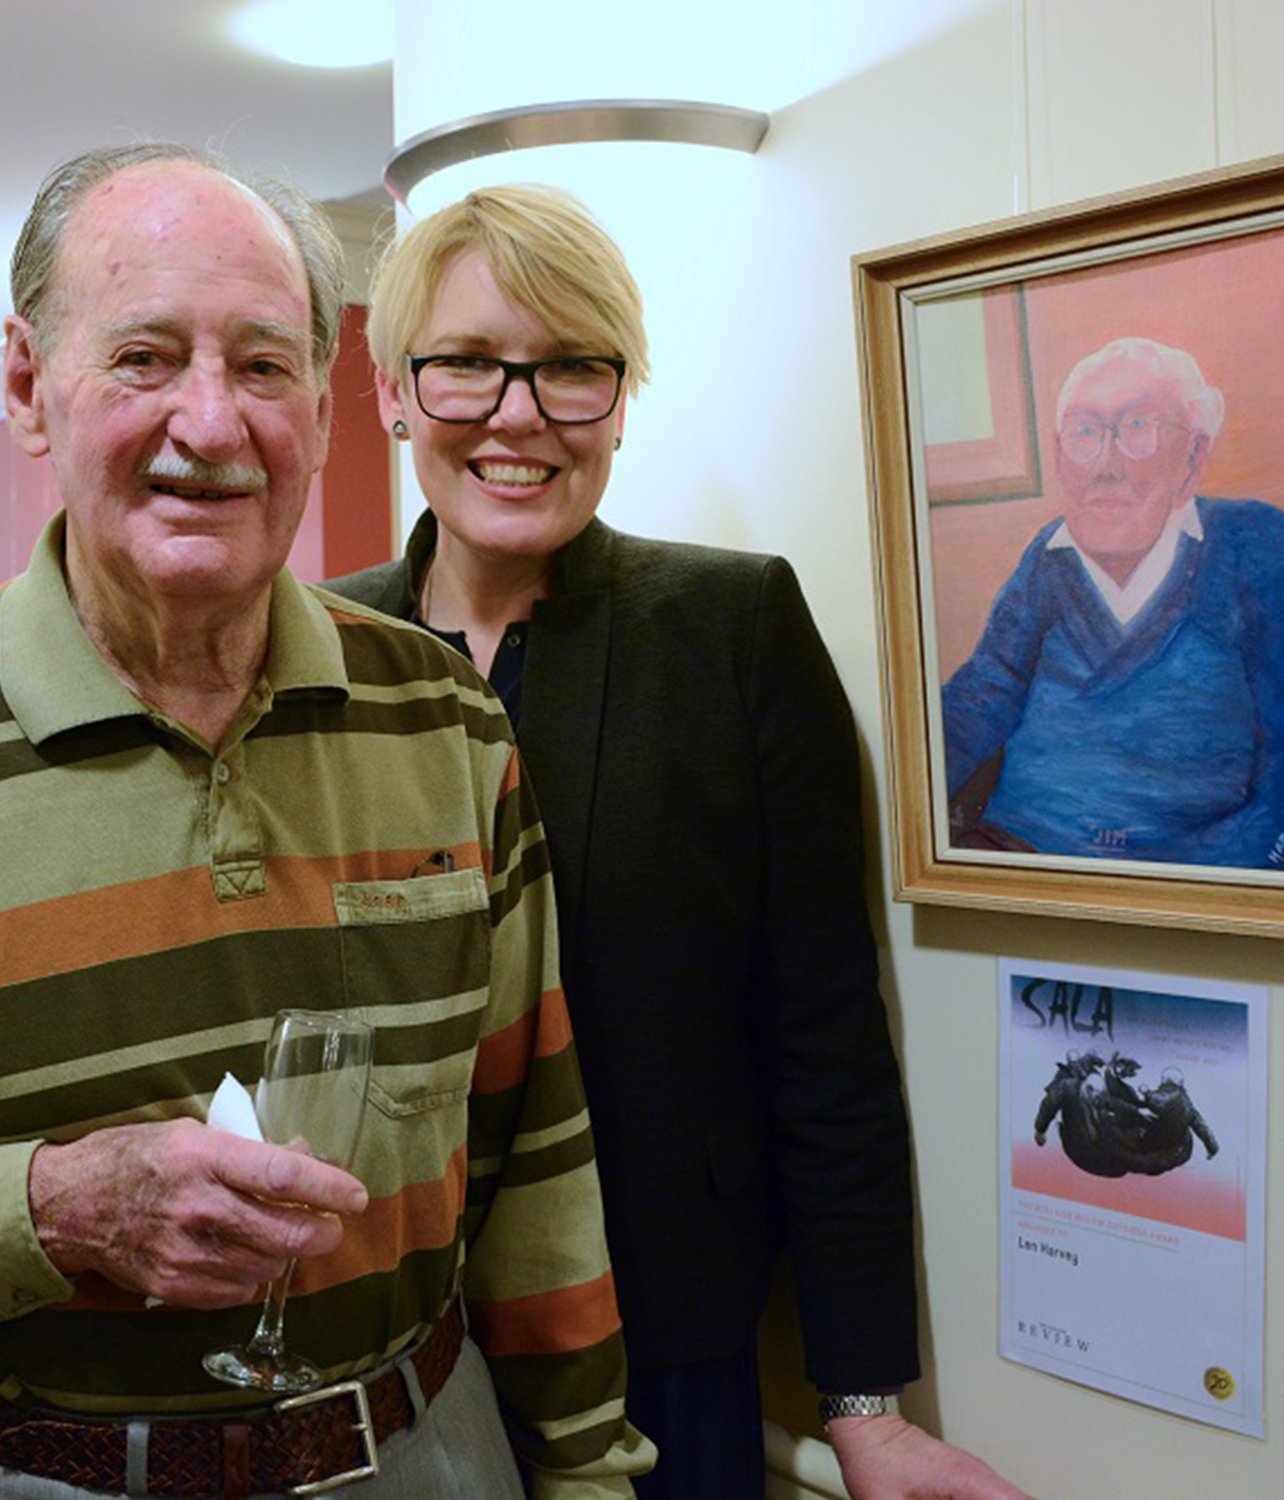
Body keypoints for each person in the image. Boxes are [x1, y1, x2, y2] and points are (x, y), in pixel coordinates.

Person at [0, 146, 653, 1500]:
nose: (211, 421)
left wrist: (586, 1474)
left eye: (259, 363)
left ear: (323, 401)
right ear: (27, 387)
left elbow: (537, 1159)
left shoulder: (444, 726)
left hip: (424, 1454)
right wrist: (46, 1213)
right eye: (143, 356)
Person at [326, 186, 1028, 1499]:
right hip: (372, 1352)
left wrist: (866, 1397)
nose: (520, 413)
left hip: (665, 1350)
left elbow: (825, 1035)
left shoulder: (730, 628)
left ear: (620, 396)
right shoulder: (315, 651)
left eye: (571, 369)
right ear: (393, 393)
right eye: (469, 364)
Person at [942, 336, 1284, 870]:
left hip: (1186, 889)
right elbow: (976, 703)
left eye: (1137, 428)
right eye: (1084, 432)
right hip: (1016, 864)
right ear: (1059, 457)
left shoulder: (1263, 550)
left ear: (1193, 456)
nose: (1105, 464)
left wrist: (1172, 888)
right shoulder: (1048, 558)